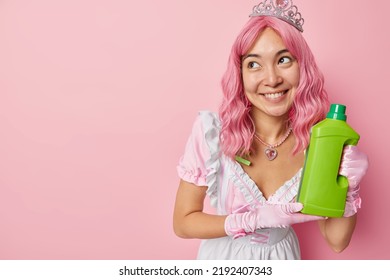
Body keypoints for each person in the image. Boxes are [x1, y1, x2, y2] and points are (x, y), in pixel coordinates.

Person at [173, 0, 368, 260]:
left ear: (303, 68)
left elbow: (337, 241)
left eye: (284, 60)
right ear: (240, 74)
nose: (272, 79)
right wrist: (246, 221)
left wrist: (349, 188)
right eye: (254, 64)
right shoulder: (212, 133)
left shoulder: (320, 141)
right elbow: (183, 223)